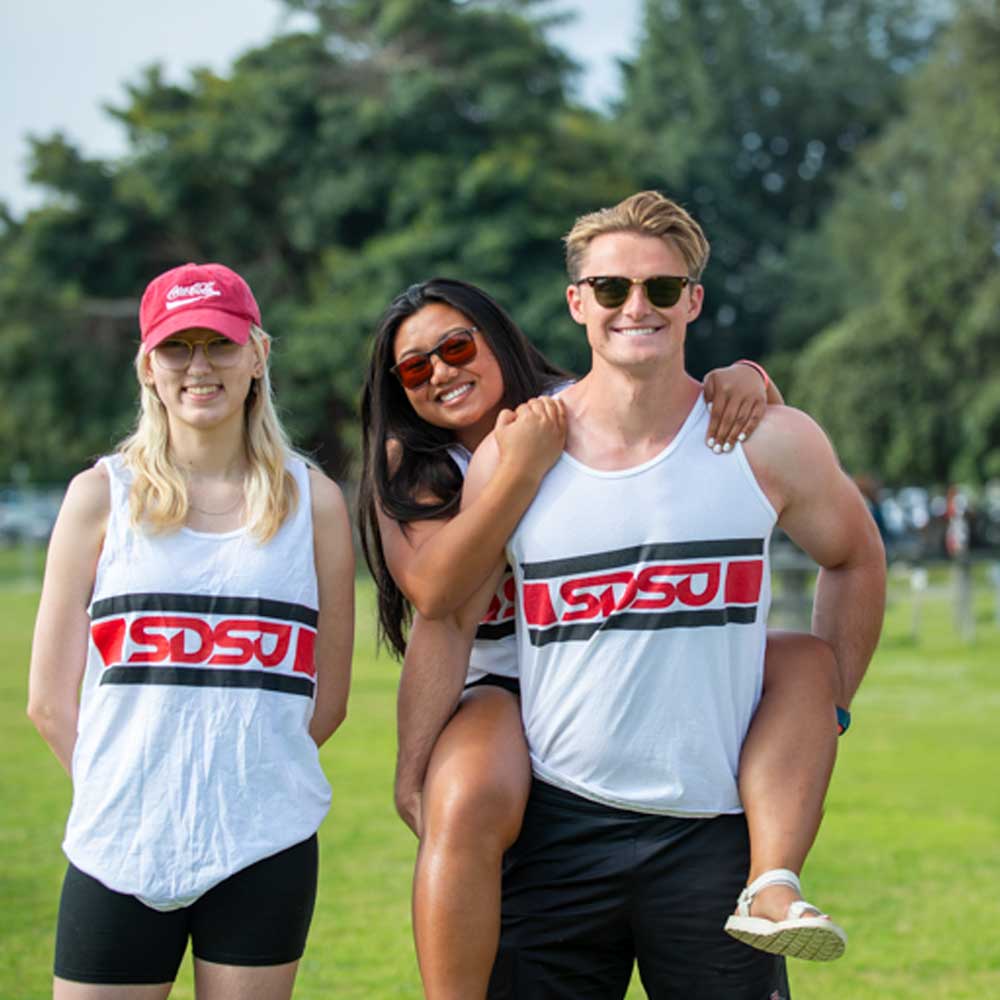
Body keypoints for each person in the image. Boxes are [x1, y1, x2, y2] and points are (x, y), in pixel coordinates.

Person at [399, 191, 886, 999]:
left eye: (662, 289)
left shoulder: (769, 440)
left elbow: (856, 558)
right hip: (559, 826)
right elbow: (446, 620)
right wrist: (413, 773)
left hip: (717, 837)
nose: (638, 306)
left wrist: (824, 707)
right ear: (577, 302)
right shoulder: (521, 453)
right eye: (613, 288)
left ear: (693, 300)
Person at [27, 262, 354, 1000]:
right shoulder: (98, 498)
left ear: (257, 355)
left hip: (263, 842)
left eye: (220, 344)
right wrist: (135, 791)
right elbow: (48, 702)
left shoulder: (316, 503)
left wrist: (236, 792)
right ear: (148, 364)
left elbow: (325, 702)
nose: (199, 367)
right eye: (178, 348)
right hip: (120, 841)